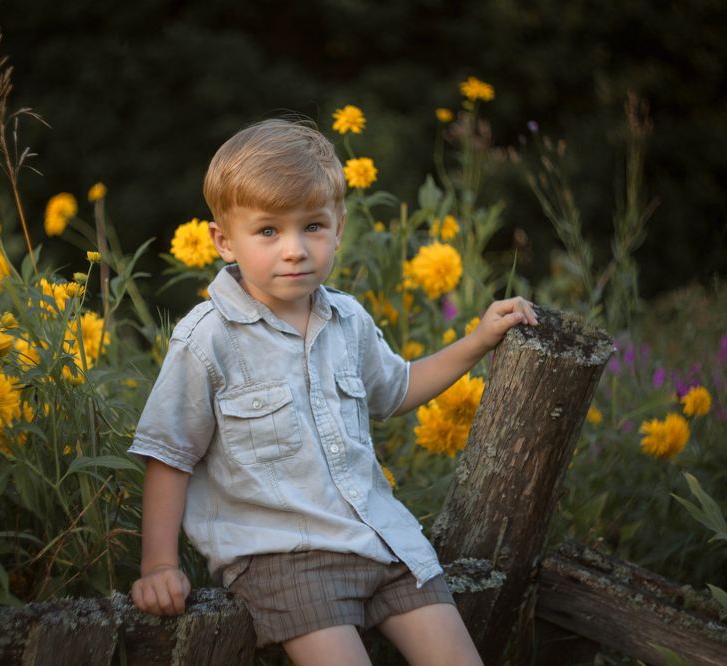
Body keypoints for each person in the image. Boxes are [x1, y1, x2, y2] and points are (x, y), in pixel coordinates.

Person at [128, 118, 537, 666]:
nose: (295, 249)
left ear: (339, 227)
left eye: (313, 226)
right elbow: (169, 452)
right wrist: (158, 564)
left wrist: (480, 339)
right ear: (223, 240)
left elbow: (398, 388)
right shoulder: (208, 339)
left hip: (382, 543)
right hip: (285, 558)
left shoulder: (348, 320)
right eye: (268, 231)